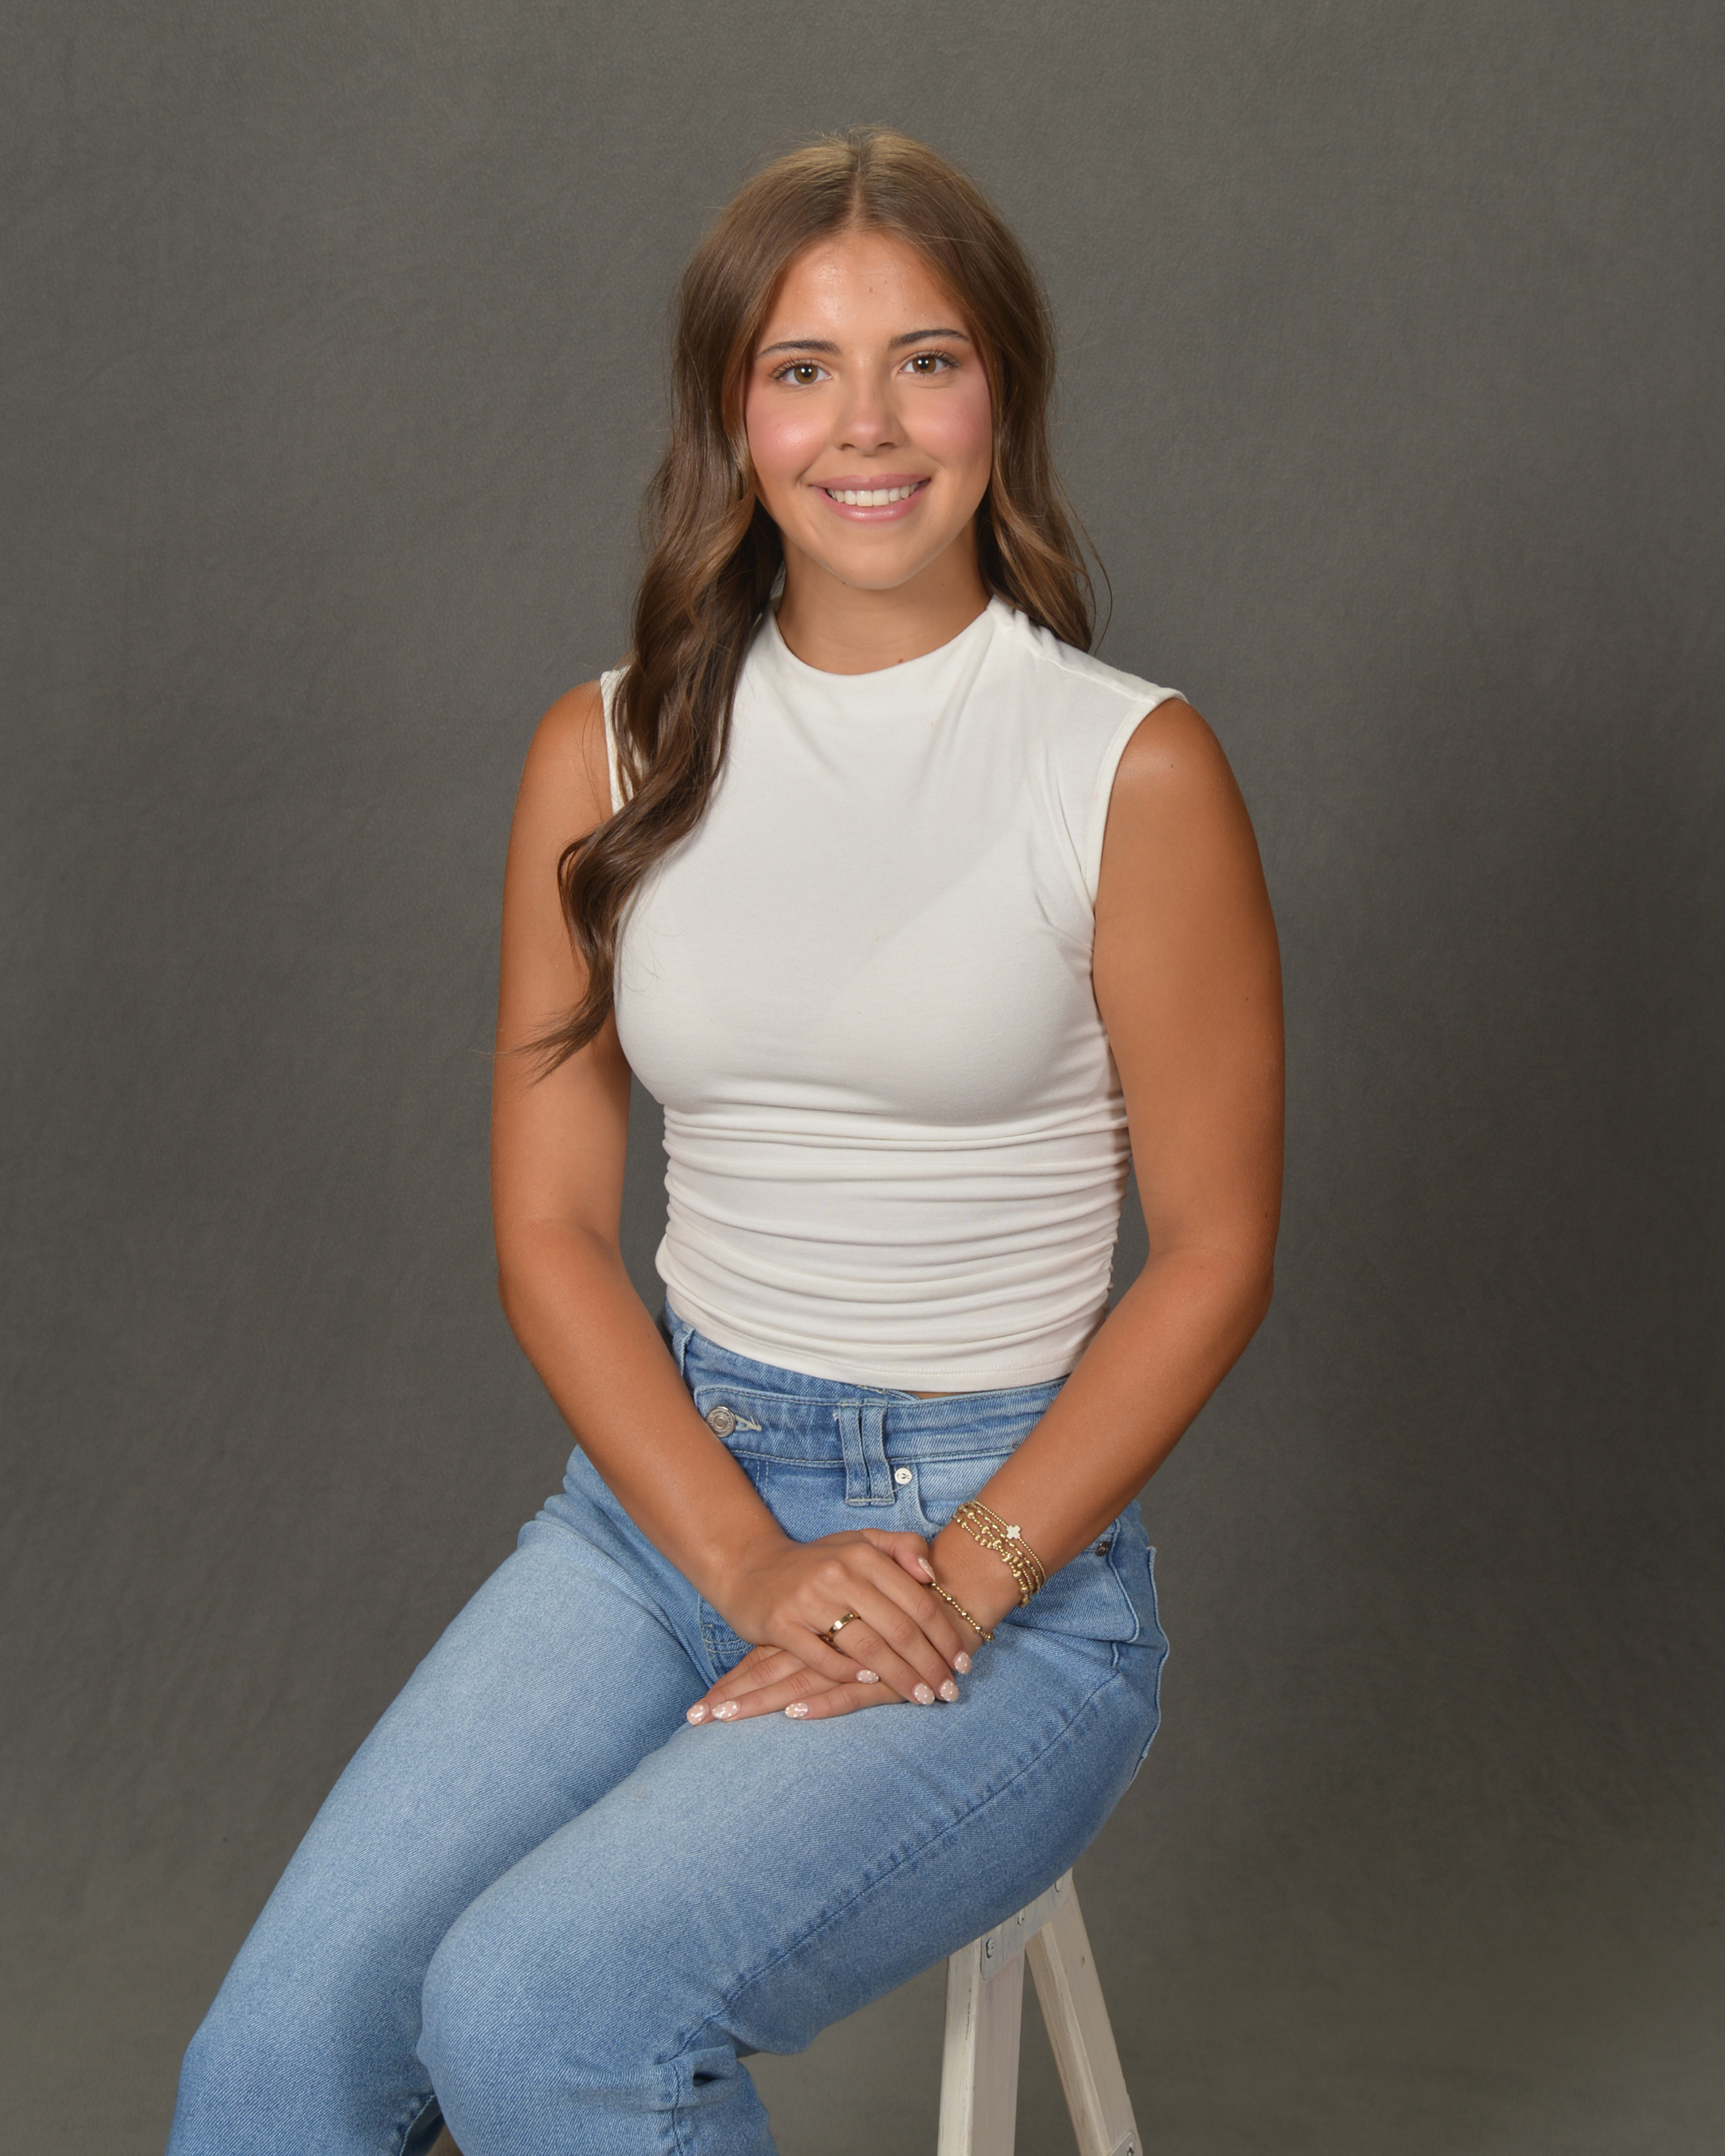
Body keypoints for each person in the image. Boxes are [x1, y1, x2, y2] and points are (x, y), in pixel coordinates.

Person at [167, 126, 1283, 2156]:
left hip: (1001, 1555)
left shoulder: (1126, 766)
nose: (867, 426)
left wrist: (961, 1577)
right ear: (730, 417)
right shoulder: (603, 753)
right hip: (661, 1512)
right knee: (265, 2082)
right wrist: (746, 1554)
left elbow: (1212, 1253)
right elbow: (549, 1228)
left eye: (926, 361)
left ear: (1004, 395)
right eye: (801, 369)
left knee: (540, 2019)